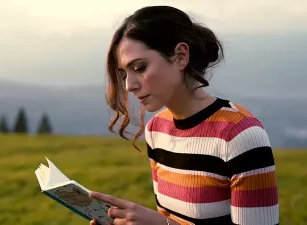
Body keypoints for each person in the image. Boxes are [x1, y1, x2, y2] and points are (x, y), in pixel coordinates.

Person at [88, 5, 279, 225]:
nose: (129, 85)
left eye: (140, 68)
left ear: (180, 56)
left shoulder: (240, 135)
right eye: (124, 74)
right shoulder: (156, 130)